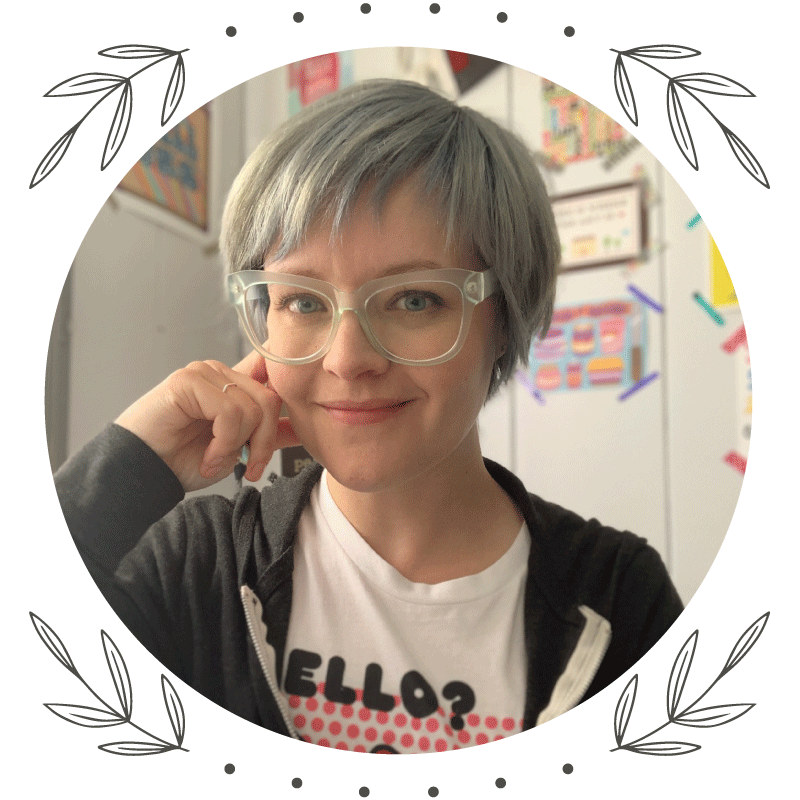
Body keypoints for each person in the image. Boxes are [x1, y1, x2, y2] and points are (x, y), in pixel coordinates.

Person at [54, 78, 683, 753]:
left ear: (503, 321)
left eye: (414, 300)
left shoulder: (618, 599)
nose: (348, 359)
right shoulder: (197, 565)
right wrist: (129, 467)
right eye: (302, 300)